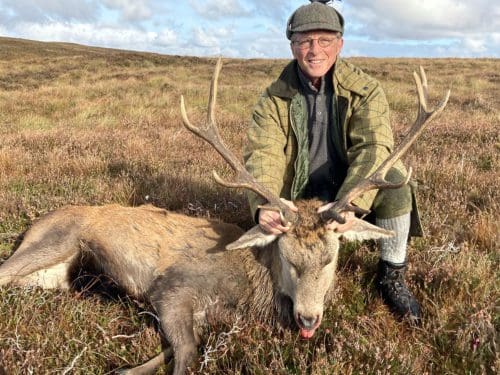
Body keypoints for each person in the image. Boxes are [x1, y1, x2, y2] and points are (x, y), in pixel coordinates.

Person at [243, 0, 421, 322]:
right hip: (295, 194)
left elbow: (374, 147)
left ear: (339, 43)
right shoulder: (273, 98)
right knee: (262, 194)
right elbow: (263, 154)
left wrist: (352, 203)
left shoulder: (365, 91)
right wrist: (264, 205)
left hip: (343, 192)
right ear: (292, 45)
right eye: (304, 41)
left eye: (324, 40)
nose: (315, 50)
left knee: (394, 179)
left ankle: (392, 274)